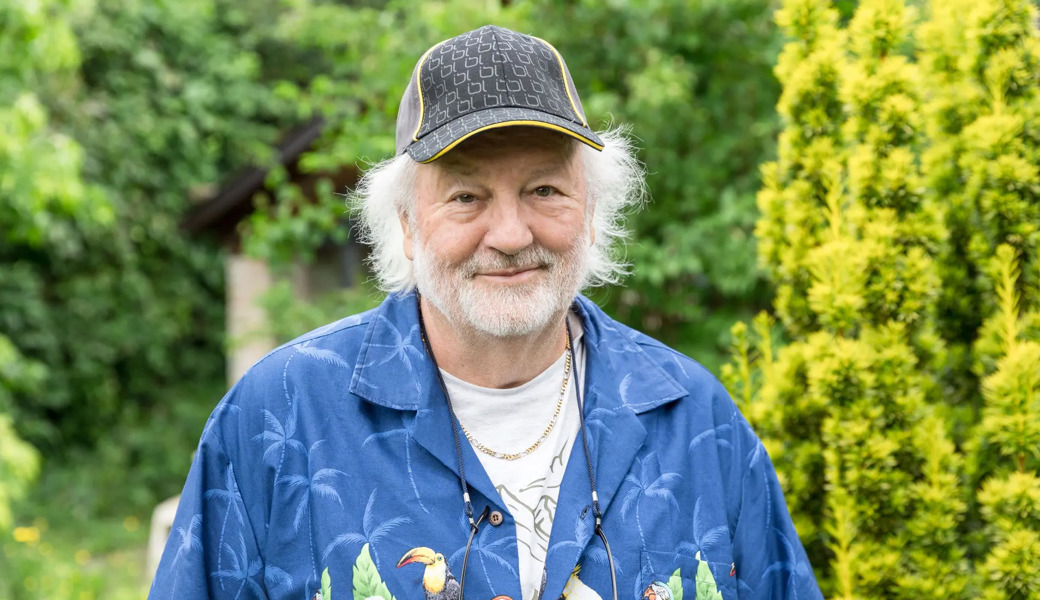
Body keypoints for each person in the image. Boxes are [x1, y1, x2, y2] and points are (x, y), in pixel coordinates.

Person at [150, 25, 822, 600]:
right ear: (408, 226)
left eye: (544, 189)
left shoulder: (693, 418)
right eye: (467, 197)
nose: (509, 234)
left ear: (589, 211)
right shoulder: (278, 418)